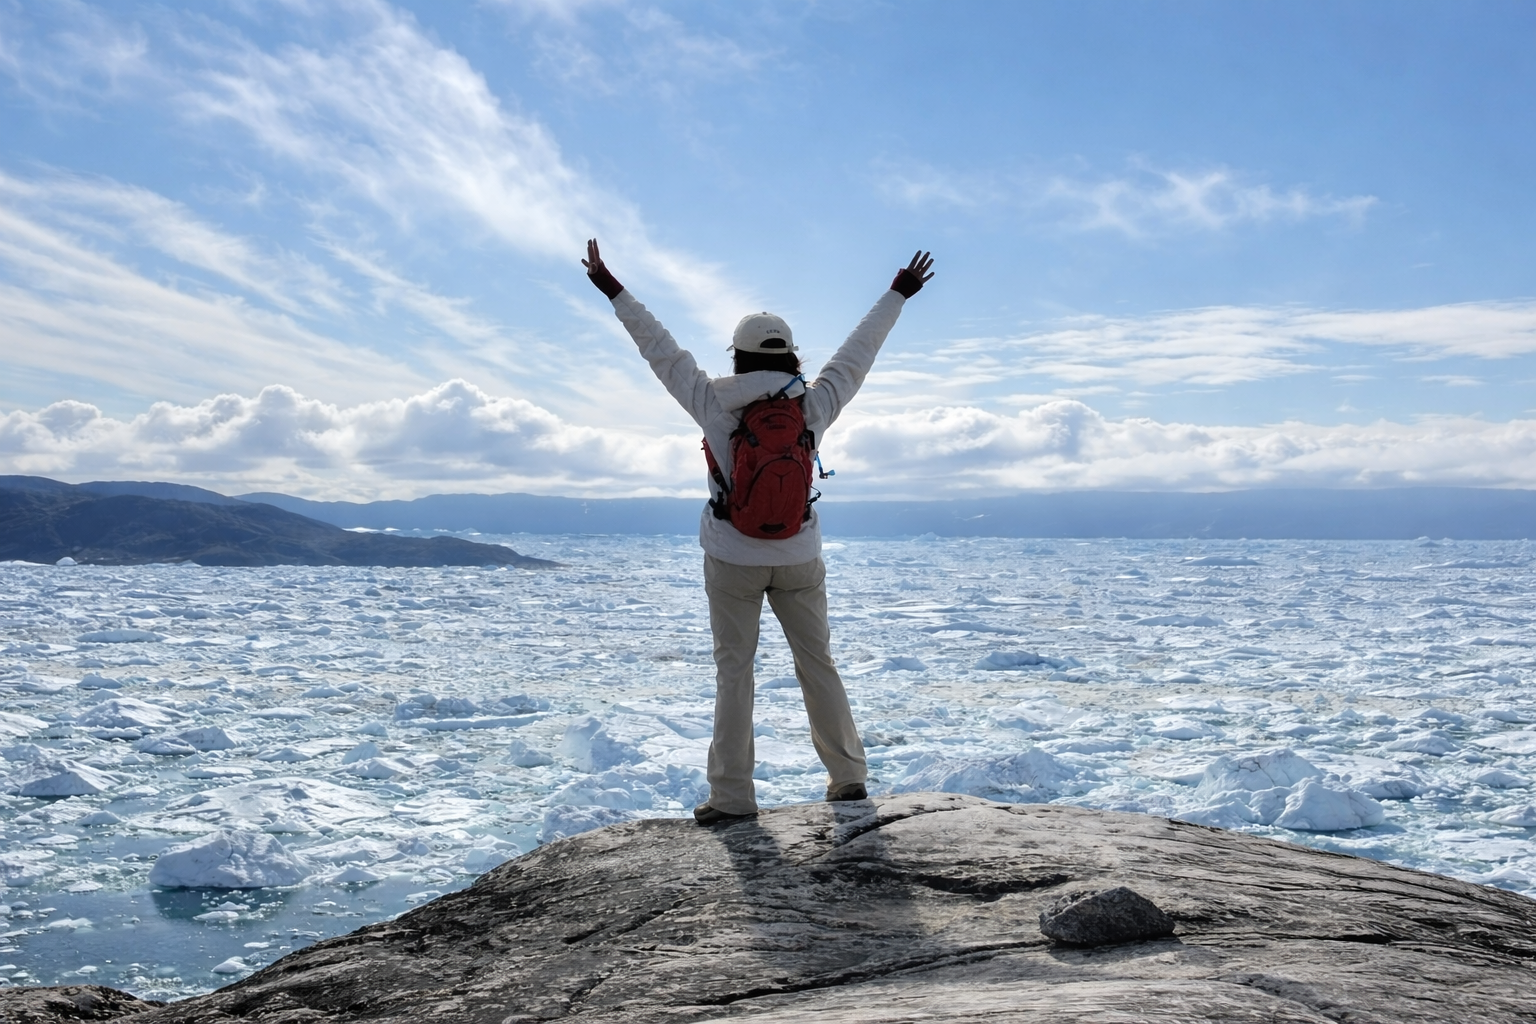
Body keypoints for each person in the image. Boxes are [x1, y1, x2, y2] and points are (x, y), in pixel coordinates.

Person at [582, 239, 935, 825]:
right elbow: (858, 353)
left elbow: (660, 351)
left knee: (734, 671)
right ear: (791, 354)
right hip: (799, 554)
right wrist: (897, 292)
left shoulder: (713, 404)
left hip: (731, 556)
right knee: (817, 662)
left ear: (738, 357)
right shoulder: (813, 405)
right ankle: (847, 777)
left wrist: (613, 289)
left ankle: (732, 796)